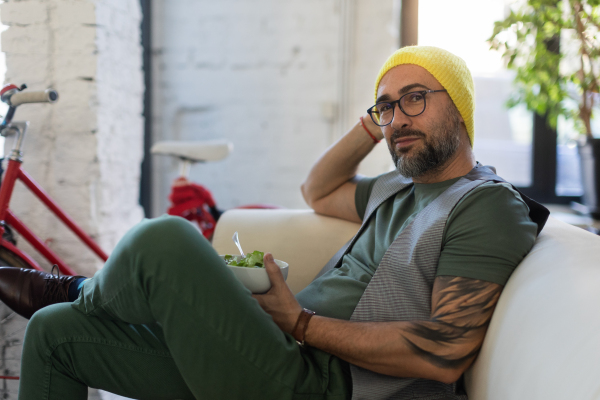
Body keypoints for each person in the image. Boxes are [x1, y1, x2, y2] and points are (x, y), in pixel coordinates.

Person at [0, 46, 548, 400]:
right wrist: (372, 120)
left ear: (461, 108)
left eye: (415, 100)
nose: (399, 119)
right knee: (56, 335)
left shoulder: (485, 204)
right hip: (279, 350)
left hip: (321, 383)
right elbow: (318, 189)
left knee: (164, 237)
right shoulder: (399, 187)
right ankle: (78, 301)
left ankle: (76, 289)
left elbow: (444, 350)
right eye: (387, 106)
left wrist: (300, 321)